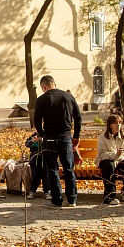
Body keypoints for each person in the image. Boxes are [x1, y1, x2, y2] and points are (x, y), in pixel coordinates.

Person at [34, 75, 81, 208]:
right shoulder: (68, 97)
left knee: (52, 169)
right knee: (69, 169)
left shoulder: (42, 100)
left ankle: (57, 199)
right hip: (66, 137)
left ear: (44, 87)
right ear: (54, 84)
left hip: (50, 138)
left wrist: (41, 133)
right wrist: (76, 135)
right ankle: (72, 199)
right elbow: (78, 117)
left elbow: (37, 120)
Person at [94, 115, 124, 205]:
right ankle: (109, 196)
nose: (118, 125)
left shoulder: (123, 136)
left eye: (119, 123)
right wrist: (115, 156)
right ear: (110, 125)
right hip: (105, 159)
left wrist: (118, 158)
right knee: (109, 166)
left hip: (119, 159)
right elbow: (102, 154)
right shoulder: (103, 137)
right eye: (115, 123)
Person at [24, 131, 50, 200]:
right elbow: (27, 144)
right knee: (35, 175)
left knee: (45, 176)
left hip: (45, 160)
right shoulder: (32, 136)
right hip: (34, 160)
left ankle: (47, 191)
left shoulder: (47, 136)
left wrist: (42, 141)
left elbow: (50, 145)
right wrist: (32, 141)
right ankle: (33, 191)